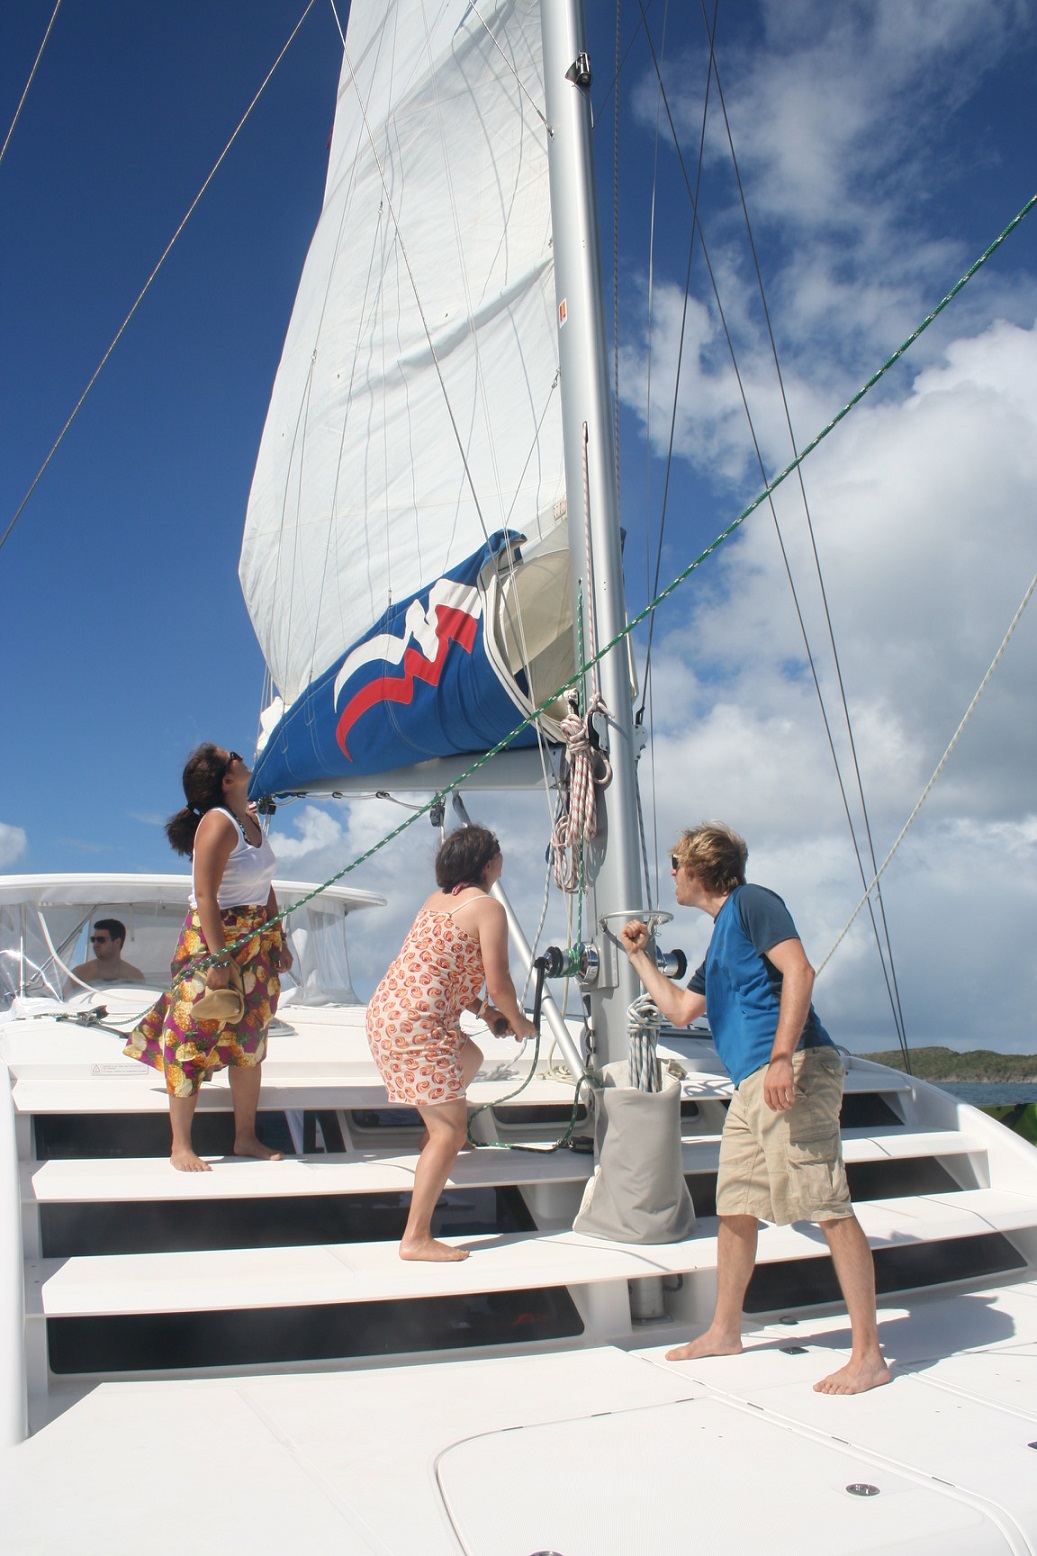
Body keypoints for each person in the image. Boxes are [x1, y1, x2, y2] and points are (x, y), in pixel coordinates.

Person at [619, 822, 889, 1396]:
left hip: (790, 1068)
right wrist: (639, 957)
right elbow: (681, 1010)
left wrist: (783, 1057)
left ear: (699, 867)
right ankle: (725, 1331)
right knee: (737, 1206)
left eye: (675, 864)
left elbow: (800, 970)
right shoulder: (721, 938)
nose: (671, 874)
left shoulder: (751, 902)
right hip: (749, 1085)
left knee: (826, 1203)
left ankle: (868, 1355)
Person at [367, 824, 537, 1263]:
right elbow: (499, 983)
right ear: (489, 864)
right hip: (420, 1024)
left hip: (387, 1013)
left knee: (470, 1055)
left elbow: (440, 972)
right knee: (451, 1131)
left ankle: (435, 1137)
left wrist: (486, 1013)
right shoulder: (487, 908)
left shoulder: (436, 901)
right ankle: (416, 1237)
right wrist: (520, 1023)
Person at [123, 744, 293, 1172]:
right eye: (233, 755)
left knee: (250, 1041)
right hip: (213, 940)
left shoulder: (249, 819)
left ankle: (245, 1138)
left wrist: (279, 938)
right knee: (191, 1037)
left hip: (254, 939)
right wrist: (219, 961)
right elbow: (205, 896)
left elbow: (264, 885)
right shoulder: (217, 823)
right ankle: (180, 1145)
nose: (241, 755)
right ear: (226, 780)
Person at [71, 918, 144, 983]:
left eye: (101, 940)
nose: (95, 944)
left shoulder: (135, 976)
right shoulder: (79, 974)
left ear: (117, 942)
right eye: (93, 940)